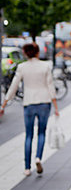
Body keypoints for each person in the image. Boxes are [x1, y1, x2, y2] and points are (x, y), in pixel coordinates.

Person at [0, 42, 59, 176]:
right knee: (41, 133)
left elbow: (14, 86)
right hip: (44, 102)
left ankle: (27, 167)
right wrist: (55, 107)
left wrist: (4, 104)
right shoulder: (45, 66)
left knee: (29, 135)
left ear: (26, 53)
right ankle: (38, 157)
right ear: (38, 52)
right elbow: (50, 86)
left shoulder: (22, 67)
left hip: (29, 103)